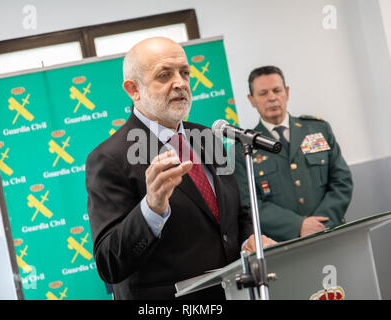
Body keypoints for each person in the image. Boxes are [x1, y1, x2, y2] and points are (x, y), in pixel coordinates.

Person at [85, 37, 275, 300]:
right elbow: (109, 264)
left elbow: (237, 215)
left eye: (185, 73)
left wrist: (250, 240)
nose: (180, 83)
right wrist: (150, 209)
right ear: (133, 89)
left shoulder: (207, 137)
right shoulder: (108, 158)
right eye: (164, 75)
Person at [234, 66, 353, 242]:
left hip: (330, 233)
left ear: (286, 92)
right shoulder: (243, 147)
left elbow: (342, 181)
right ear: (251, 100)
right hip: (283, 244)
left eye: (277, 90)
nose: (272, 98)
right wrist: (298, 225)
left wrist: (320, 224)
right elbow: (249, 203)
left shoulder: (318, 129)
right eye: (263, 93)